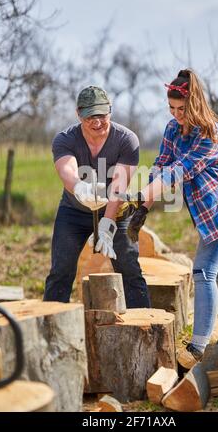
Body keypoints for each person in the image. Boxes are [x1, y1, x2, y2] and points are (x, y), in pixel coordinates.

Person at [122, 69, 218, 368]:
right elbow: (162, 165)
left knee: (204, 271)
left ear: (194, 104)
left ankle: (197, 348)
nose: (176, 114)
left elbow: (180, 170)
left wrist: (144, 196)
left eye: (181, 109)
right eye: (171, 108)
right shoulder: (172, 129)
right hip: (208, 214)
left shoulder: (211, 133)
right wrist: (144, 205)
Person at [43, 85, 150, 308]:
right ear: (79, 115)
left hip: (116, 211)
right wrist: (80, 189)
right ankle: (51, 326)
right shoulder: (64, 139)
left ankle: (146, 326)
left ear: (110, 111)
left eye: (102, 114)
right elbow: (67, 171)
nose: (97, 122)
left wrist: (108, 223)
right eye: (90, 116)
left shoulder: (126, 140)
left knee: (129, 267)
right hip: (74, 211)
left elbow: (119, 187)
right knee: (60, 270)